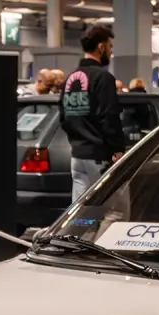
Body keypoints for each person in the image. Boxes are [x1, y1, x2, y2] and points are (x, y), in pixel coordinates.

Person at [61, 25, 126, 202]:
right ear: (101, 47)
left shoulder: (69, 79)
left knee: (82, 211)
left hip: (77, 156)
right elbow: (108, 116)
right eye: (110, 47)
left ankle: (85, 225)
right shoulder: (103, 78)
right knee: (116, 209)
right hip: (100, 157)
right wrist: (117, 148)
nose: (111, 52)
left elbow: (64, 117)